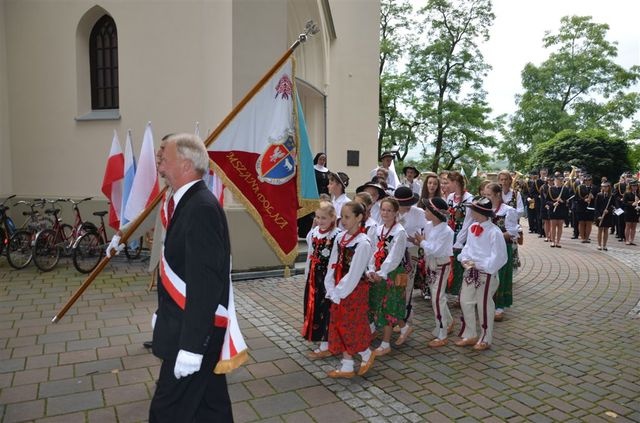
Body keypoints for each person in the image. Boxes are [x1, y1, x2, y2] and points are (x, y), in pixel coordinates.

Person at [149, 133, 233, 422]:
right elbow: (183, 269)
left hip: (192, 334)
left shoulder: (201, 209)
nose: (160, 157)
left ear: (185, 164)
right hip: (185, 324)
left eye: (166, 154)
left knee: (165, 412)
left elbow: (205, 283)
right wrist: (163, 311)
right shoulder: (186, 202)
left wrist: (191, 347)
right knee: (211, 409)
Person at [324, 201, 375, 378]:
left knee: (351, 325)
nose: (343, 221)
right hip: (339, 288)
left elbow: (354, 274)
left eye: (347, 217)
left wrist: (338, 292)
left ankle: (366, 353)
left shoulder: (363, 243)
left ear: (359, 217)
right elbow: (333, 262)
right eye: (342, 216)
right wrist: (329, 285)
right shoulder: (341, 237)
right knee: (339, 323)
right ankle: (347, 365)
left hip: (353, 290)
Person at [456, 196, 507, 351]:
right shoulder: (473, 227)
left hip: (485, 274)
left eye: (472, 209)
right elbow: (467, 248)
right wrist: (464, 259)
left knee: (484, 305)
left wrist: (480, 265)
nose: (470, 211)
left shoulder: (494, 232)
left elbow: (499, 257)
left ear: (480, 212)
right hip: (471, 272)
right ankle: (470, 334)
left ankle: (485, 337)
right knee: (465, 301)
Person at [411, 197, 454, 347]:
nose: (424, 212)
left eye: (428, 210)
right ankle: (447, 322)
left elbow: (435, 250)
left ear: (436, 213)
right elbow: (427, 245)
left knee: (437, 298)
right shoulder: (429, 226)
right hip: (431, 265)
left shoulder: (446, 231)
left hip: (441, 266)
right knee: (438, 297)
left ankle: (442, 334)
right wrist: (418, 241)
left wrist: (422, 241)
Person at [367, 197, 408, 355]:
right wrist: (371, 269)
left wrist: (381, 273)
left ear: (396, 212)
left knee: (388, 306)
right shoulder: (378, 229)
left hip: (391, 272)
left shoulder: (400, 232)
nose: (385, 213)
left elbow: (394, 257)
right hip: (378, 270)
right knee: (375, 302)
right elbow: (373, 251)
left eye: (389, 210)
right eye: (383, 210)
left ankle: (385, 344)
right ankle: (404, 327)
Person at [302, 201, 340, 359]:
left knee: (326, 309)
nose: (320, 221)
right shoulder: (314, 232)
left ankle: (326, 342)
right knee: (313, 307)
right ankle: (316, 335)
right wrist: (307, 273)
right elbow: (310, 252)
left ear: (333, 218)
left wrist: (330, 282)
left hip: (326, 280)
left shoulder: (336, 236)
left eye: (323, 218)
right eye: (317, 217)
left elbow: (334, 260)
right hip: (313, 278)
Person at [393, 186, 428, 331]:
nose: (405, 207)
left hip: (411, 249)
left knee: (407, 282)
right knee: (395, 282)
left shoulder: (418, 213)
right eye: (402, 204)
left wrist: (420, 240)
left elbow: (428, 229)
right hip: (394, 250)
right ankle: (396, 315)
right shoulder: (391, 212)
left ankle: (405, 316)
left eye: (408, 203)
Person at [484, 183, 519, 322]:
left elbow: (512, 232)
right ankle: (487, 302)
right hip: (487, 247)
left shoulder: (508, 210)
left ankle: (499, 306)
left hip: (502, 247)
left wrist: (494, 236)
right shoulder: (484, 209)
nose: (486, 198)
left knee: (501, 274)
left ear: (498, 195)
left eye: (489, 195)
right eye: (484, 195)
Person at [447, 171, 475, 304]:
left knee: (462, 264)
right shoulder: (451, 197)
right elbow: (448, 217)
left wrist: (459, 240)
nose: (447, 185)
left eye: (449, 183)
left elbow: (468, 221)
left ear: (456, 183)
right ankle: (456, 291)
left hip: (462, 234)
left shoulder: (469, 199)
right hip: (450, 233)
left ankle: (463, 294)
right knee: (453, 265)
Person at [545, 172, 573, 248]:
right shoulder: (551, 189)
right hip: (553, 210)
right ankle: (553, 241)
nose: (558, 181)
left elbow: (568, 199)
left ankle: (558, 242)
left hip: (562, 209)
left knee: (560, 226)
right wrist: (553, 204)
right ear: (555, 180)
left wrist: (562, 201)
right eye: (557, 179)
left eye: (560, 179)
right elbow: (547, 200)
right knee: (553, 226)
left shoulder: (565, 189)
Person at [574, 175, 598, 243]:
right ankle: (582, 238)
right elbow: (576, 198)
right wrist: (584, 200)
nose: (588, 181)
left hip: (591, 207)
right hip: (581, 207)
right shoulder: (579, 187)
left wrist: (593, 197)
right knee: (581, 222)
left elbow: (598, 198)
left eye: (589, 180)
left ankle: (587, 238)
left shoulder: (595, 188)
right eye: (586, 180)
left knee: (589, 223)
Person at [594, 181, 615, 250]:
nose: (605, 188)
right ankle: (599, 245)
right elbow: (596, 207)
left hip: (608, 215)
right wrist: (598, 216)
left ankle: (604, 245)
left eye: (606, 186)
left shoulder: (611, 196)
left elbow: (614, 205)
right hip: (600, 215)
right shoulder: (599, 195)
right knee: (600, 230)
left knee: (606, 230)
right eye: (603, 186)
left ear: (609, 187)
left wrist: (608, 210)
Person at [623, 179, 639, 245]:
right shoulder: (627, 194)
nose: (634, 187)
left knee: (634, 226)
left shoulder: (638, 194)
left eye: (636, 186)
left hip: (635, 212)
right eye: (633, 186)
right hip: (628, 211)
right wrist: (632, 204)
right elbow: (624, 203)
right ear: (630, 186)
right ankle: (627, 240)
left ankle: (632, 240)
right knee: (628, 226)